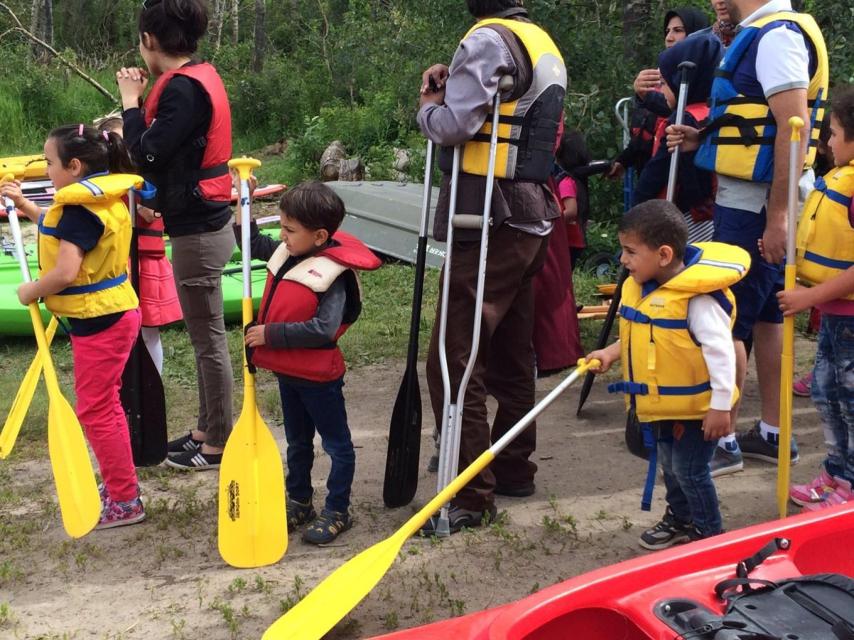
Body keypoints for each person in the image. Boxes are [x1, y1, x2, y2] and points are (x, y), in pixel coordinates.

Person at [417, 0, 565, 533]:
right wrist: (451, 78)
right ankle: (512, 466)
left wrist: (427, 106)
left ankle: (470, 496)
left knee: (454, 357)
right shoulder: (535, 37)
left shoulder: (486, 38)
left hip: (490, 219)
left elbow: (455, 124)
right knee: (508, 352)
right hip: (531, 217)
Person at [667, 0, 828, 477]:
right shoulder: (768, 32)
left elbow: (792, 129)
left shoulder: (777, 36)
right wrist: (703, 138)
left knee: (728, 314)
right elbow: (755, 118)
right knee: (765, 312)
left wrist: (778, 215)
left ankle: (726, 440)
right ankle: (773, 435)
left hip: (755, 204)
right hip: (754, 198)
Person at [1, 125, 145, 529]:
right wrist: (25, 205)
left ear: (75, 166)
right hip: (107, 315)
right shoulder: (96, 199)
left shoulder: (83, 210)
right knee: (102, 405)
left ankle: (125, 498)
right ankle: (121, 487)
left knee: (97, 410)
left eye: (49, 163)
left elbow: (65, 272)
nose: (46, 170)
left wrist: (31, 290)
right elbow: (60, 226)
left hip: (103, 320)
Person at [586, 200, 749, 549]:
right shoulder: (646, 289)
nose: (622, 260)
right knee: (670, 468)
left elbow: (722, 354)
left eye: (630, 251)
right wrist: (610, 353)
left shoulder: (698, 301)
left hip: (695, 412)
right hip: (660, 406)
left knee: (690, 471)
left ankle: (709, 534)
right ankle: (680, 517)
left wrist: (721, 406)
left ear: (662, 255)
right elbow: (640, 332)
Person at [116, 0, 236, 470]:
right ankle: (207, 428)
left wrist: (129, 104)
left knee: (208, 341)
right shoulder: (197, 77)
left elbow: (144, 154)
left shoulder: (183, 91)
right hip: (198, 221)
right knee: (203, 336)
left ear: (149, 41)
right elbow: (176, 157)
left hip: (200, 232)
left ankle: (219, 441)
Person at [234, 181, 381, 544]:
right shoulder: (290, 252)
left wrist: (271, 335)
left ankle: (338, 510)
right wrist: (244, 200)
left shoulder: (333, 277)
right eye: (281, 227)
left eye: (288, 229)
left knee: (336, 445)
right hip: (290, 374)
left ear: (319, 236)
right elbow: (250, 243)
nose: (281, 236)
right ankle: (300, 502)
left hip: (320, 379)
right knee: (297, 443)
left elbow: (323, 329)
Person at [781, 87, 854, 510]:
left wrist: (809, 298)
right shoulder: (838, 179)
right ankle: (836, 472)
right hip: (834, 315)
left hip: (848, 318)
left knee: (849, 404)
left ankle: (849, 484)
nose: (828, 142)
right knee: (827, 394)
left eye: (836, 133)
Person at [96, 115, 183, 374]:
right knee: (117, 330)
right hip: (116, 263)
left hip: (146, 261)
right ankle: (122, 380)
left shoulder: (148, 177)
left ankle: (151, 382)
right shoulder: (103, 183)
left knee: (148, 330)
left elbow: (161, 208)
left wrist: (149, 207)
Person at [633, 34, 724, 243]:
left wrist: (635, 211)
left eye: (664, 83)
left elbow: (655, 174)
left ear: (680, 82)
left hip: (681, 217)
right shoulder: (713, 113)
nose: (661, 90)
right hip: (709, 214)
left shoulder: (682, 121)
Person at [608, 7, 710, 182]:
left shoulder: (705, 81)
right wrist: (623, 161)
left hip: (679, 185)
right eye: (667, 31)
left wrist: (644, 96)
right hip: (651, 181)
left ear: (695, 35)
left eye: (678, 31)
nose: (669, 37)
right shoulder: (657, 78)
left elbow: (673, 113)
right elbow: (645, 133)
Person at [533, 131, 585, 376]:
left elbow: (571, 210)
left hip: (556, 233)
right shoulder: (555, 175)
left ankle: (555, 353)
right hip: (549, 227)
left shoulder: (561, 178)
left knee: (554, 287)